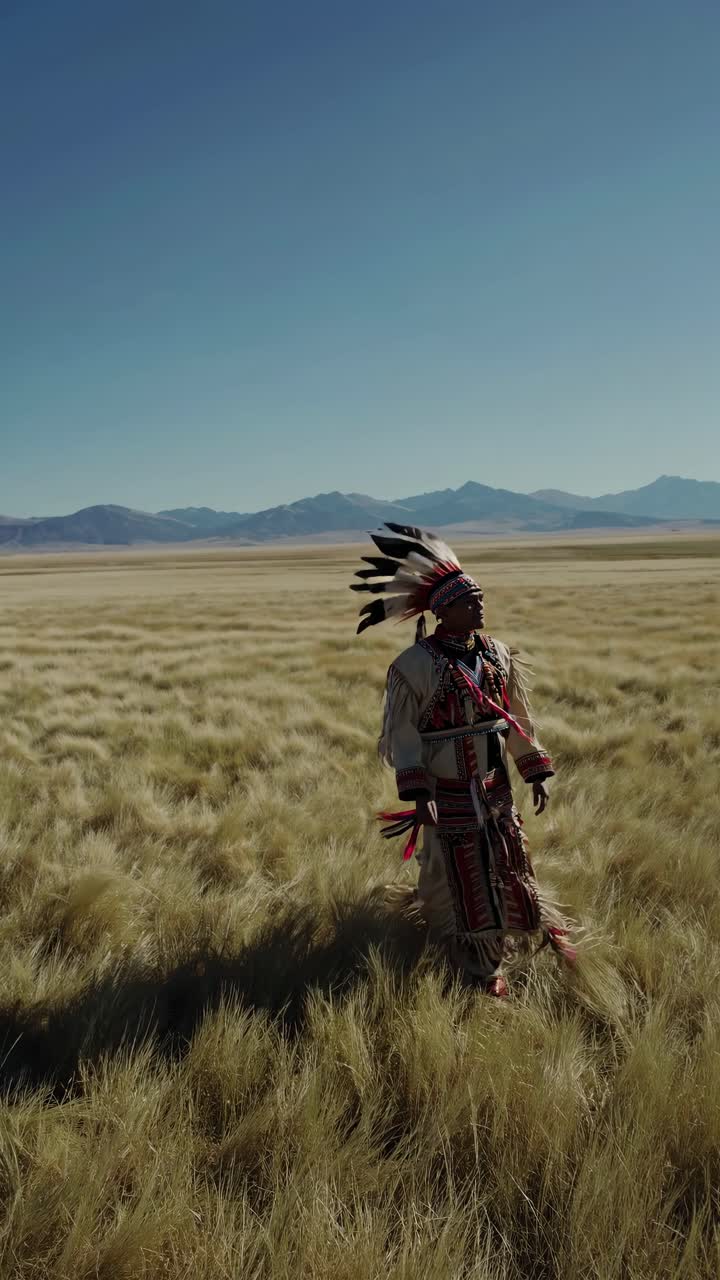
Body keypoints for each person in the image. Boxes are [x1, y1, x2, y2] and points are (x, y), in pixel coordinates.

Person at [352, 523, 574, 997]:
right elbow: (404, 735)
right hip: (446, 795)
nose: (480, 606)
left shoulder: (497, 655)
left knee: (508, 862)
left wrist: (533, 770)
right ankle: (462, 957)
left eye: (480, 598)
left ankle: (499, 950)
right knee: (446, 875)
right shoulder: (414, 666)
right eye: (469, 601)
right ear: (443, 611)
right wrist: (417, 791)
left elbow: (516, 720)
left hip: (495, 791)